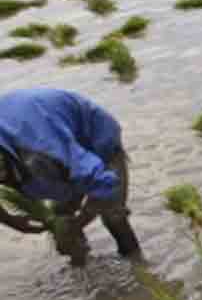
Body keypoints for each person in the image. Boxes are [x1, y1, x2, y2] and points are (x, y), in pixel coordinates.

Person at [0, 88, 140, 265]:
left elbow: (105, 183)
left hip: (95, 136)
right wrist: (12, 221)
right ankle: (81, 266)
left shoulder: (42, 150)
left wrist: (79, 222)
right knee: (61, 212)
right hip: (43, 130)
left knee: (113, 215)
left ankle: (138, 268)